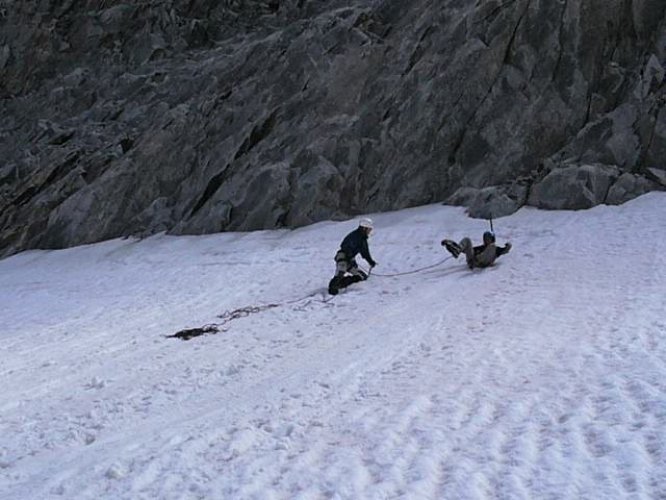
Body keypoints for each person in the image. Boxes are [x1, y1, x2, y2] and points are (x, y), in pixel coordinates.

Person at [328, 218, 377, 295]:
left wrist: (370, 261)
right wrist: (349, 255)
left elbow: (365, 252)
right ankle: (332, 287)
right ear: (364, 228)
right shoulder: (354, 236)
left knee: (362, 277)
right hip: (343, 257)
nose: (369, 231)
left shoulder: (363, 239)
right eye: (369, 229)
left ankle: (341, 284)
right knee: (341, 272)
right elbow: (344, 245)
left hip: (350, 260)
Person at [441, 231, 511, 269]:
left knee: (492, 246)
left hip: (484, 263)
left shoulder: (495, 249)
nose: (486, 240)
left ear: (492, 239)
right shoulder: (481, 247)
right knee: (467, 239)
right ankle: (456, 250)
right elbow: (467, 250)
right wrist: (452, 244)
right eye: (485, 238)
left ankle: (476, 261)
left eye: (488, 238)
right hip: (473, 261)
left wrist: (508, 246)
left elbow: (504, 250)